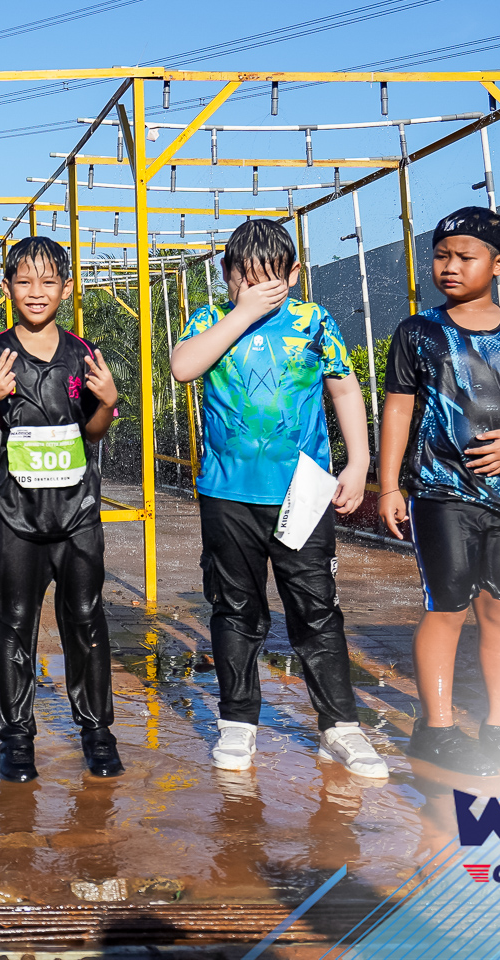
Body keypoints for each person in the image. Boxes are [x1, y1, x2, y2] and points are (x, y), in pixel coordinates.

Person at [170, 219, 386, 780]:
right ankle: (238, 721)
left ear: (293, 275)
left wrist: (358, 462)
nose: (259, 290)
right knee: (235, 608)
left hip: (303, 491)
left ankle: (339, 726)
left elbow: (343, 387)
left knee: (316, 608)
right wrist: (241, 314)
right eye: (246, 279)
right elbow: (183, 367)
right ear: (226, 276)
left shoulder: (314, 321)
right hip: (228, 493)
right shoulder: (211, 319)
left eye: (271, 279)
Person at [377, 206, 500, 775]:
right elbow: (398, 409)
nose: (450, 266)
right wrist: (388, 486)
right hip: (442, 491)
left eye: (465, 256)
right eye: (441, 256)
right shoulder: (418, 332)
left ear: (499, 262)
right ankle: (436, 729)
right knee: (446, 606)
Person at [0, 236, 123, 783]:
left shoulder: (83, 353)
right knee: (13, 623)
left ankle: (97, 733)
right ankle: (16, 738)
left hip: (78, 515)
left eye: (48, 282)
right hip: (17, 516)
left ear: (67, 288)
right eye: (24, 281)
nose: (36, 292)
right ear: (7, 287)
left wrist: (108, 402)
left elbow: (93, 433)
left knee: (87, 619)